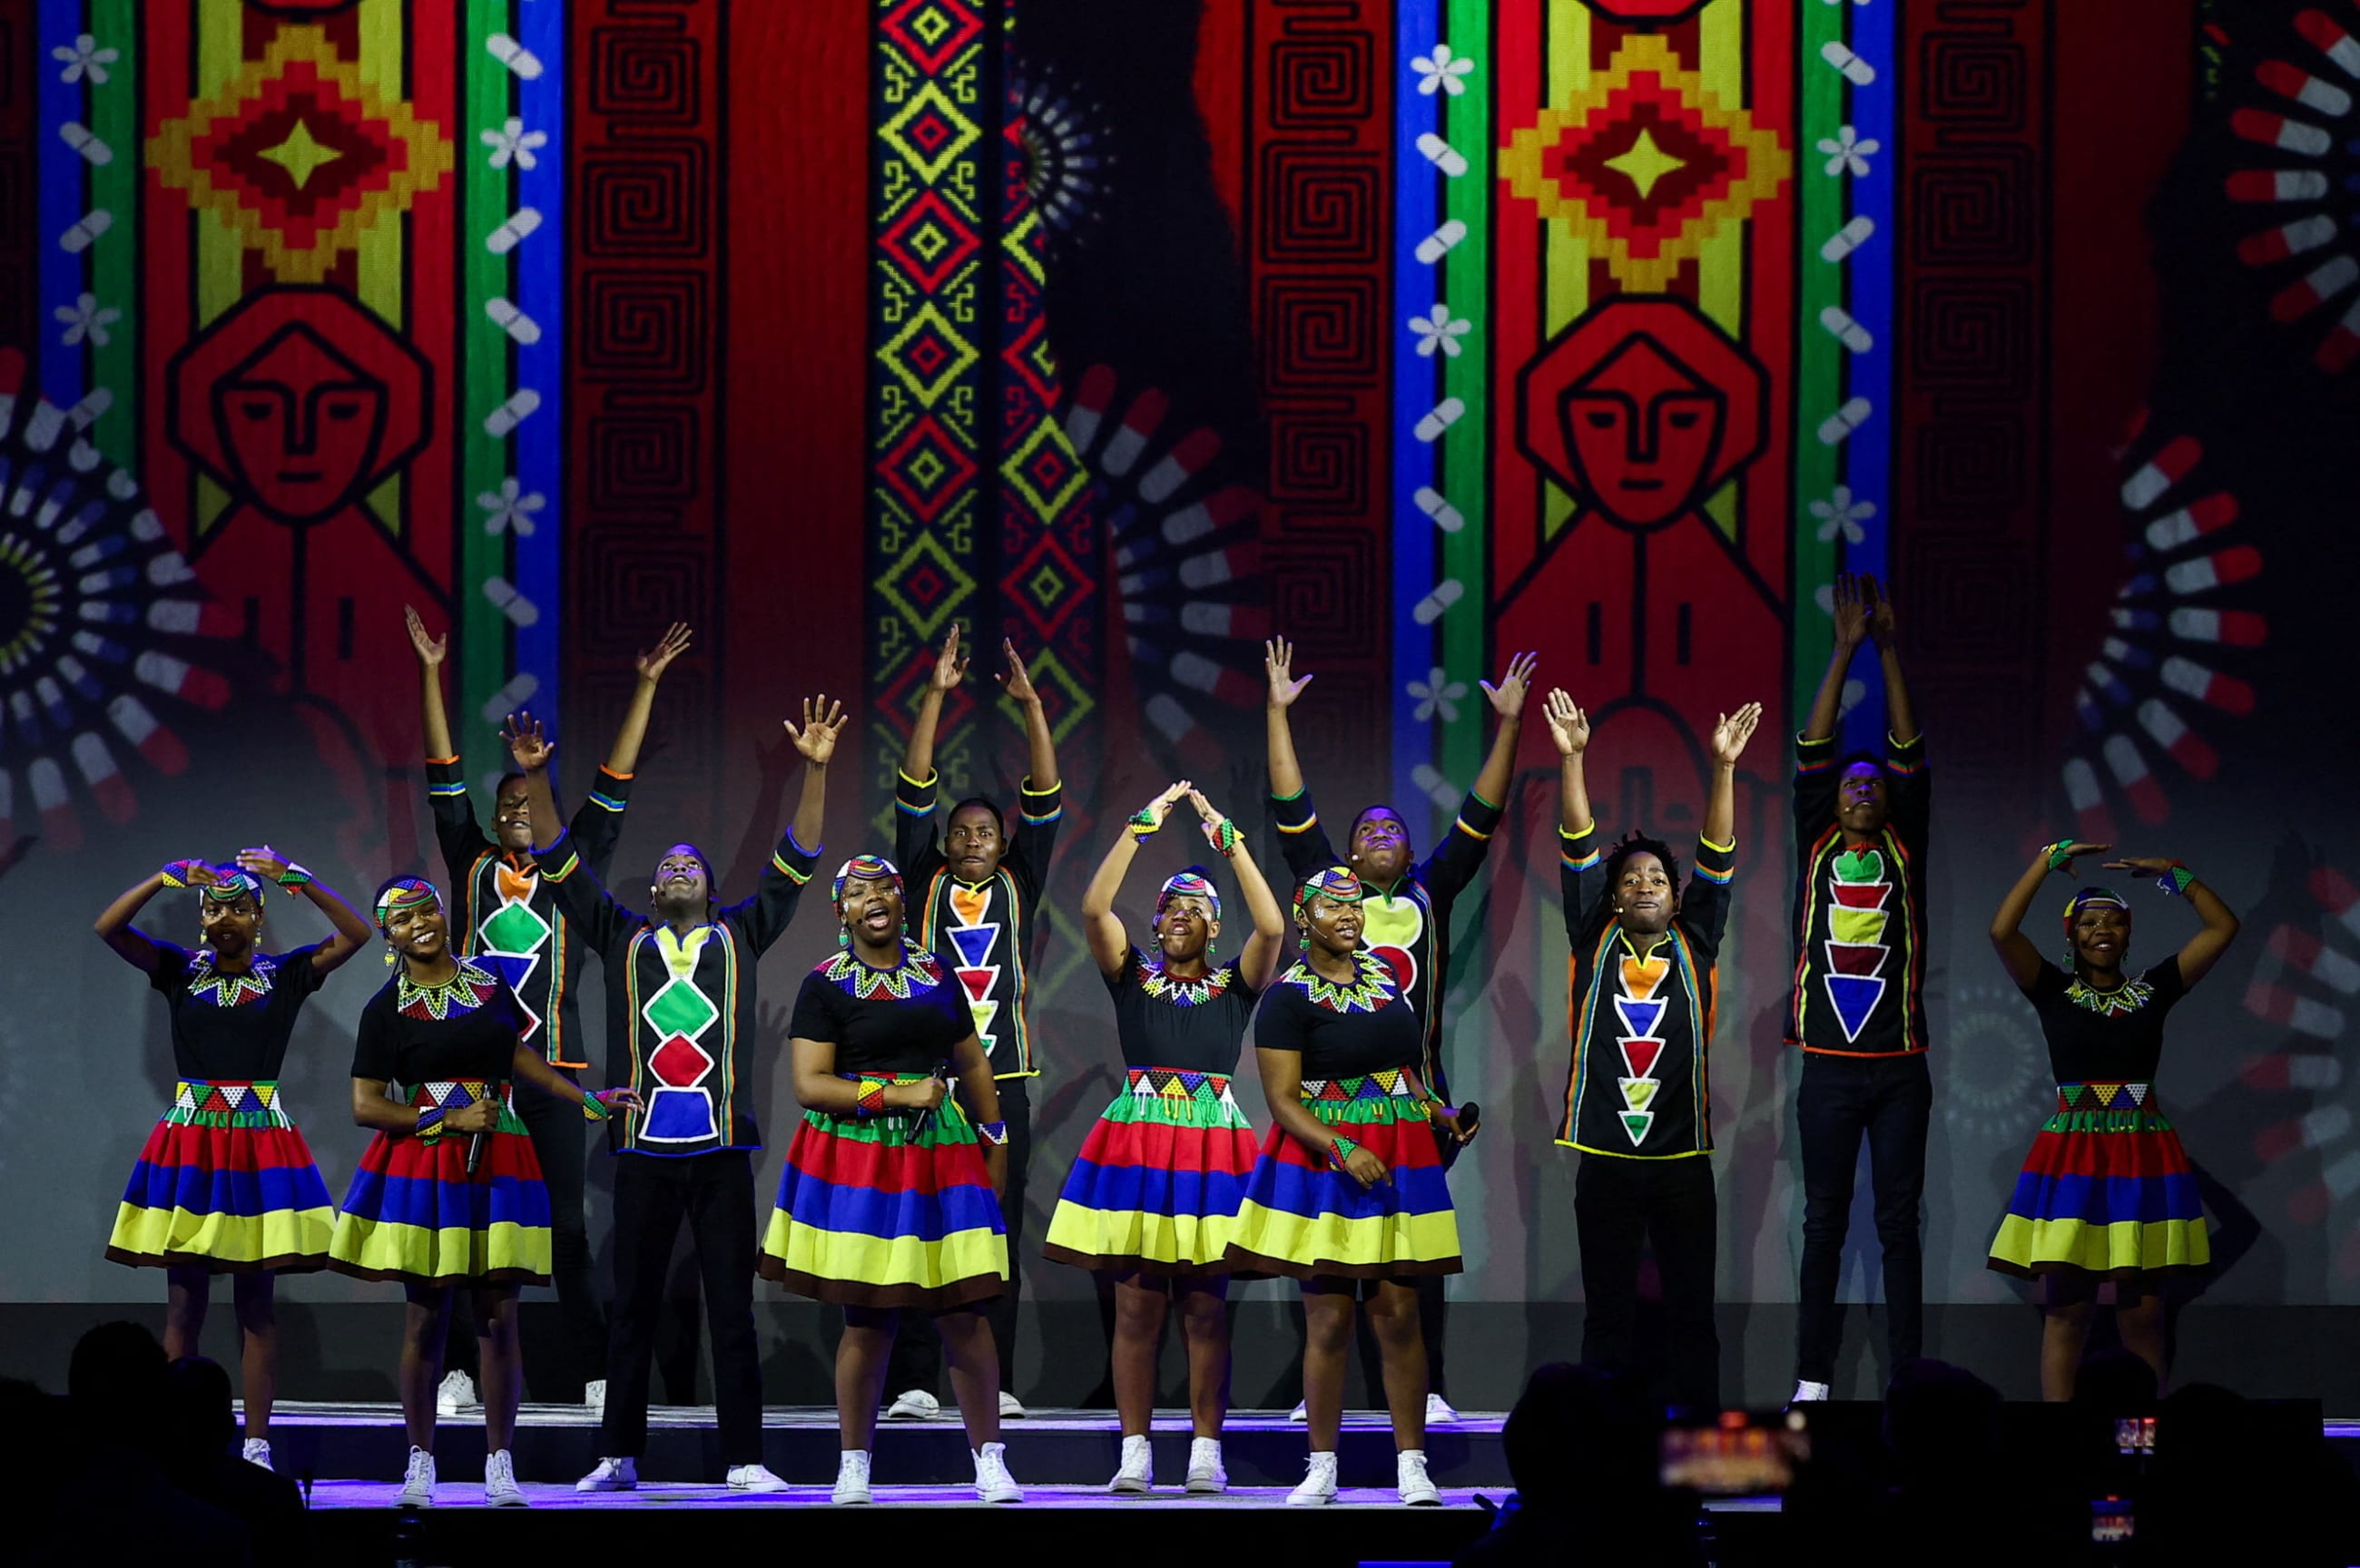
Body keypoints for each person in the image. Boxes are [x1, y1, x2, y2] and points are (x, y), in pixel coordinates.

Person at [513, 698, 841, 1494]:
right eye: (666, 868)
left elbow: (797, 852)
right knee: (632, 1308)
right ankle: (618, 1453)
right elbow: (558, 859)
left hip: (723, 1153)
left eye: (690, 864)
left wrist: (817, 769)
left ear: (709, 886)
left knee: (732, 1310)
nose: (676, 870)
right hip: (643, 1154)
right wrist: (534, 778)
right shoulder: (622, 936)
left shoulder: (743, 931)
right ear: (654, 895)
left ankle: (746, 1458)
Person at [404, 607, 691, 1417]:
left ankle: (597, 1371)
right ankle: (459, 1366)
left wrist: (644, 685)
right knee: (465, 1226)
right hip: (469, 1072)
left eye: (532, 802)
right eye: (508, 804)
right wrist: (431, 672)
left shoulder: (575, 865)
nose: (519, 813)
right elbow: (441, 769)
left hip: (553, 1070)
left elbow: (614, 785)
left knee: (564, 1229)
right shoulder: (469, 861)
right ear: (492, 819)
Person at [1263, 637, 1536, 1421]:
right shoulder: (1327, 892)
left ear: (1412, 850)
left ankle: (1432, 1386)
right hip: (1329, 1093)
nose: (1382, 834)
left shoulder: (1431, 891)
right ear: (1346, 856)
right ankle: (1321, 1390)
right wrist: (1278, 715)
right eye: (1368, 831)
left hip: (1416, 1091)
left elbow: (1482, 814)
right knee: (1326, 1237)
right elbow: (1289, 812)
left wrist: (1509, 727)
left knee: (1412, 1245)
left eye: (1394, 829)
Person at [327, 875, 642, 1507]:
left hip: (499, 1154)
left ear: (444, 915)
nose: (418, 924)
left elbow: (514, 1053)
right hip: (428, 1164)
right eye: (401, 919)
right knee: (427, 1317)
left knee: (500, 1317)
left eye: (426, 911)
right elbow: (366, 1105)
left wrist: (583, 1100)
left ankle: (501, 1462)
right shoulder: (384, 1010)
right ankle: (421, 1462)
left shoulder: (489, 982)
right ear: (388, 936)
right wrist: (446, 1120)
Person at [94, 849, 373, 1469]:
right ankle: (169, 1442)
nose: (226, 917)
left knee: (256, 1303)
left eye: (240, 908)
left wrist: (293, 875)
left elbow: (357, 932)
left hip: (257, 1146)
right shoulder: (177, 970)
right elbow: (109, 929)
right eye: (215, 908)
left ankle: (255, 1445)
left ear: (258, 918)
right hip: (192, 1143)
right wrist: (162, 877)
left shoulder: (287, 974)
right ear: (201, 920)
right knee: (184, 1302)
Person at [1044, 782, 1286, 1494]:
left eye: (1197, 911)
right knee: (1137, 1305)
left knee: (1207, 1309)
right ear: (1155, 925)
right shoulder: (1132, 979)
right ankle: (1136, 1451)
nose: (1181, 917)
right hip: (1140, 1148)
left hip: (1211, 1151)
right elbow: (1093, 907)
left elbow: (1272, 927)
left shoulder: (1235, 987)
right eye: (1170, 908)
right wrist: (1139, 827)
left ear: (1214, 930)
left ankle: (1206, 1449)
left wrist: (1227, 838)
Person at [759, 856, 1022, 1506]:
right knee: (868, 1318)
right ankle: (854, 1465)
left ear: (903, 903)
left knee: (964, 1310)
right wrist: (895, 1095)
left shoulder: (936, 971)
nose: (873, 898)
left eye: (885, 889)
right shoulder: (825, 986)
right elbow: (810, 1084)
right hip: (861, 1162)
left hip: (942, 1154)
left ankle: (990, 1461)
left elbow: (971, 1058)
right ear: (840, 910)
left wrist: (995, 1139)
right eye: (857, 892)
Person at [1224, 866, 1475, 1507]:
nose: (1350, 916)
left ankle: (1412, 1465)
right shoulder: (1286, 997)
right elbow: (1282, 1101)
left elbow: (1405, 1072)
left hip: (1398, 1153)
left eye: (1356, 907)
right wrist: (1342, 1147)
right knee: (1330, 1320)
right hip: (1328, 1161)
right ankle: (1322, 1466)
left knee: (1398, 1315)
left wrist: (1438, 1113)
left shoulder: (1385, 981)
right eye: (1334, 907)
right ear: (1302, 917)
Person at [1550, 690, 1762, 1410]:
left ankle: (1696, 1452)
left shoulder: (1696, 939)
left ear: (1677, 899)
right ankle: (1595, 1461)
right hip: (1605, 1161)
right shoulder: (1592, 934)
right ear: (1612, 899)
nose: (1645, 884)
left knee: (1691, 1318)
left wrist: (1722, 768)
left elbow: (1718, 857)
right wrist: (1574, 757)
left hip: (1681, 1164)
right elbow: (1578, 848)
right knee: (1606, 1317)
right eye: (1631, 878)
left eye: (1658, 879)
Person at [883, 625, 1061, 1421]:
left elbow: (1045, 793)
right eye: (959, 834)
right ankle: (918, 1381)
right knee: (922, 1223)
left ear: (1002, 845)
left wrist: (1030, 707)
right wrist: (934, 696)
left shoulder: (1023, 878)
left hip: (1006, 1085)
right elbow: (915, 783)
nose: (971, 843)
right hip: (927, 1085)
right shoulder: (919, 875)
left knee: (994, 1231)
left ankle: (995, 1378)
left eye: (984, 834)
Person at [1984, 840, 2237, 1399]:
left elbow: (2222, 929)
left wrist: (2176, 872)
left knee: (2142, 1317)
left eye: (2116, 922)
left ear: (2128, 935)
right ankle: (2059, 1448)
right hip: (2073, 1159)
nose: (2103, 930)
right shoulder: (2052, 990)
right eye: (2089, 922)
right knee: (2068, 1313)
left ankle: (2142, 1445)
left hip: (2141, 1160)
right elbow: (2003, 931)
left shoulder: (2153, 991)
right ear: (2071, 936)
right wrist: (2044, 862)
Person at [1789, 573, 1932, 1403]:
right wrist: (1844, 649)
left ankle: (1909, 1380)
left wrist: (1888, 648)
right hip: (1830, 1068)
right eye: (1853, 782)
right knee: (1824, 1222)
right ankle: (1813, 1379)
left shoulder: (1905, 843)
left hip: (1901, 1066)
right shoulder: (1817, 840)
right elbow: (1812, 751)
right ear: (1834, 801)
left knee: (1898, 1226)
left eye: (1876, 783)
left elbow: (1910, 750)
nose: (1866, 787)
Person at [163, 1357, 307, 1568]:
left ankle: (256, 1447)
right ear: (230, 1428)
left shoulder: (136, 1494)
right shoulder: (278, 1494)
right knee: (183, 1324)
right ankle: (255, 1446)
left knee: (256, 1325)